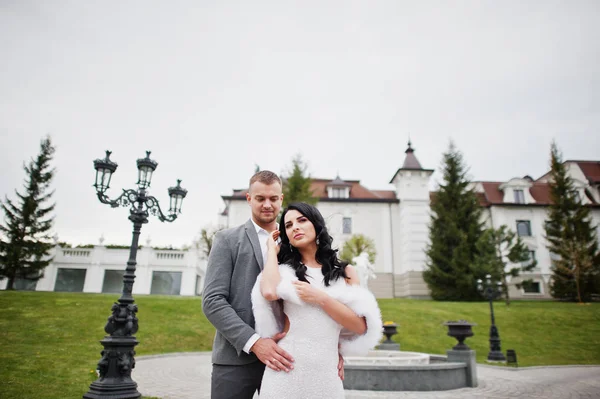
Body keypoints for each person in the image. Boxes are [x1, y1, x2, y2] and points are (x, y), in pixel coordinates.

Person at [251, 202, 382, 399]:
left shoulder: (346, 273)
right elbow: (269, 292)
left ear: (316, 224)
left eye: (302, 220)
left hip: (326, 375)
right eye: (288, 225)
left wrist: (320, 298)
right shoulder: (283, 271)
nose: (295, 227)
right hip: (285, 370)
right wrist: (271, 250)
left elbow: (360, 326)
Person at [202, 170, 294, 399]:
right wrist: (254, 343)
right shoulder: (227, 240)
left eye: (273, 199)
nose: (267, 204)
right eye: (260, 198)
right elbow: (212, 301)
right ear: (249, 198)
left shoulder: (295, 244)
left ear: (281, 199)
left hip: (286, 357)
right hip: (235, 359)